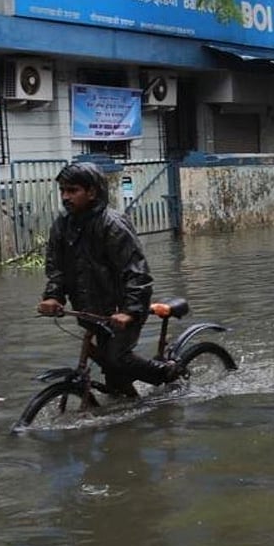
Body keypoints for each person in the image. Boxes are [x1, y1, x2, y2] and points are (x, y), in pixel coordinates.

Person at [36, 162, 177, 397]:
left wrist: (130, 310)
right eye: (63, 191)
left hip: (122, 309)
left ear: (92, 192)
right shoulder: (62, 225)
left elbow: (137, 272)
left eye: (73, 191)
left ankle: (166, 374)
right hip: (91, 310)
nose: (66, 197)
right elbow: (56, 267)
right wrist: (53, 296)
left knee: (117, 357)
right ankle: (132, 414)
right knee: (113, 376)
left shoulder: (113, 224)